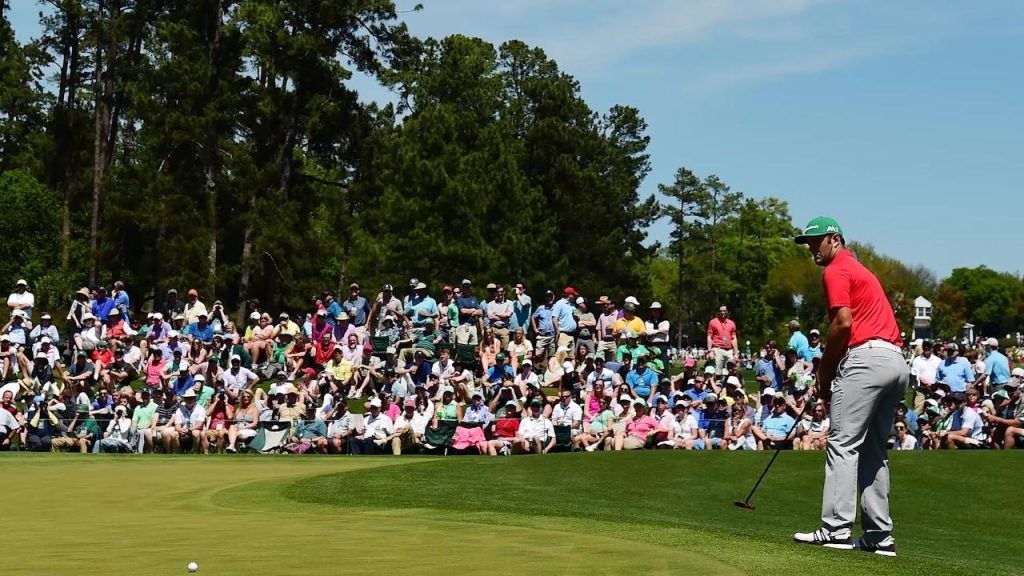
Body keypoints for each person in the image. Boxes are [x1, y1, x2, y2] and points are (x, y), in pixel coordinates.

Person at [792, 216, 908, 556]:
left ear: (835, 240)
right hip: (896, 362)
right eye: (808, 242)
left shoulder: (836, 269)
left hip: (866, 358)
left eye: (816, 241)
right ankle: (878, 535)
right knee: (873, 449)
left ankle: (836, 529)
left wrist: (824, 374)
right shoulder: (859, 269)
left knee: (842, 444)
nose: (812, 248)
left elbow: (842, 323)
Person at [707, 305, 738, 374]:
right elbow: (709, 337)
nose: (722, 312)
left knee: (732, 370)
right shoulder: (713, 322)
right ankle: (718, 384)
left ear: (727, 312)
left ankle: (728, 384)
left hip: (729, 350)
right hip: (718, 349)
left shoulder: (732, 323)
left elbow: (734, 338)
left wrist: (736, 353)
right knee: (718, 372)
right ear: (718, 312)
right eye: (720, 311)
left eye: (724, 311)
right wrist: (710, 351)